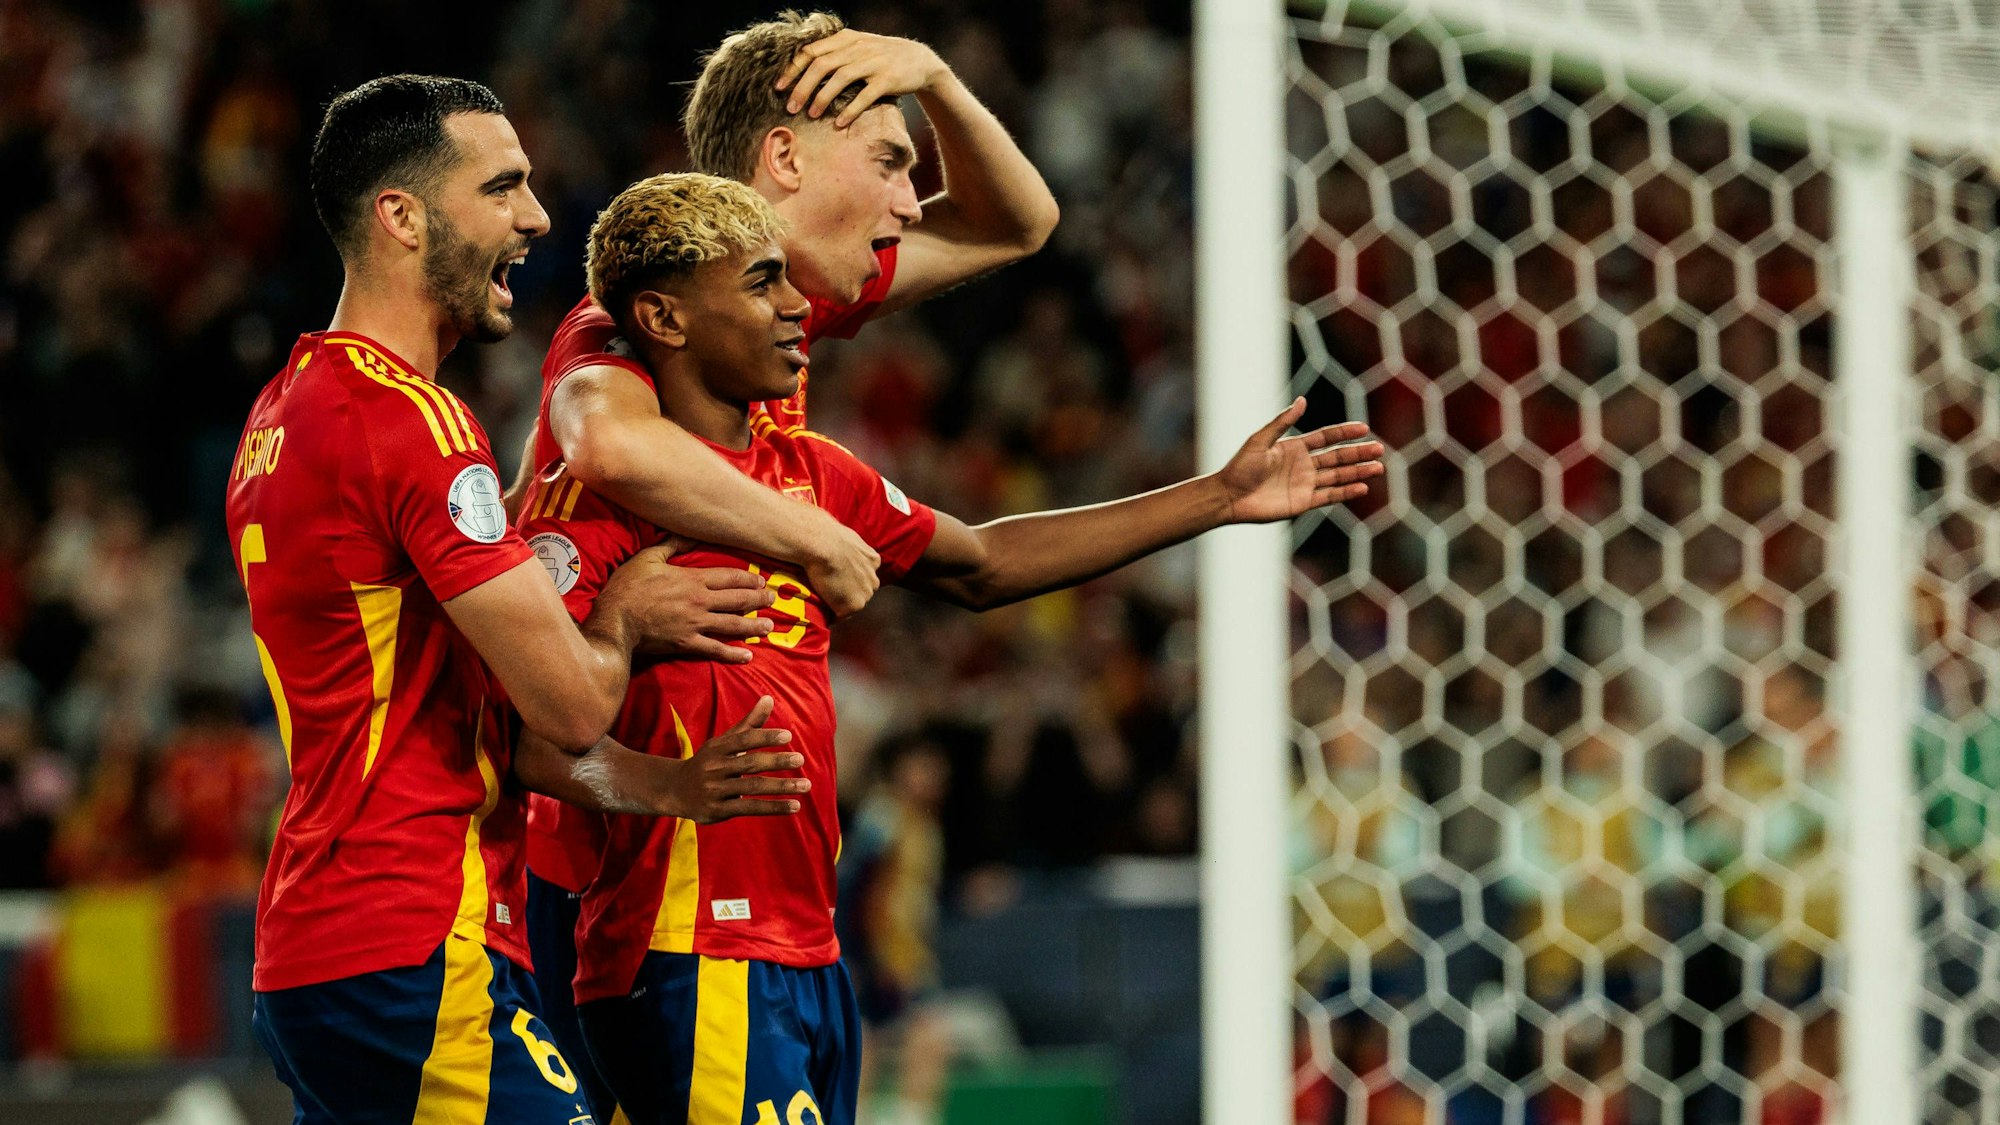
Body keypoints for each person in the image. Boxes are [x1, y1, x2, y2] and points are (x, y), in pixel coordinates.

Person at [515, 173, 1382, 1125]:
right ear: (664, 319)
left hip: (809, 953)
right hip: (684, 950)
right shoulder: (590, 508)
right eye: (763, 283)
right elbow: (521, 731)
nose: (799, 305)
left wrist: (1217, 497)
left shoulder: (811, 473)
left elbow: (986, 562)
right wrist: (658, 768)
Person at [227, 77, 807, 1125]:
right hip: (410, 940)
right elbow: (572, 705)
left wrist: (665, 787)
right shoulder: (412, 423)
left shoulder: (282, 414)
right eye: (500, 188)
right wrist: (623, 613)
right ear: (401, 217)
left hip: (322, 946)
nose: (535, 218)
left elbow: (458, 711)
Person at [514, 12, 1061, 1113]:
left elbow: (1020, 227)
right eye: (891, 159)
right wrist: (812, 534)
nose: (911, 201)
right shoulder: (640, 318)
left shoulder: (781, 311)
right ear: (783, 157)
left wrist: (938, 81)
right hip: (606, 866)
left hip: (723, 887)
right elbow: (605, 440)